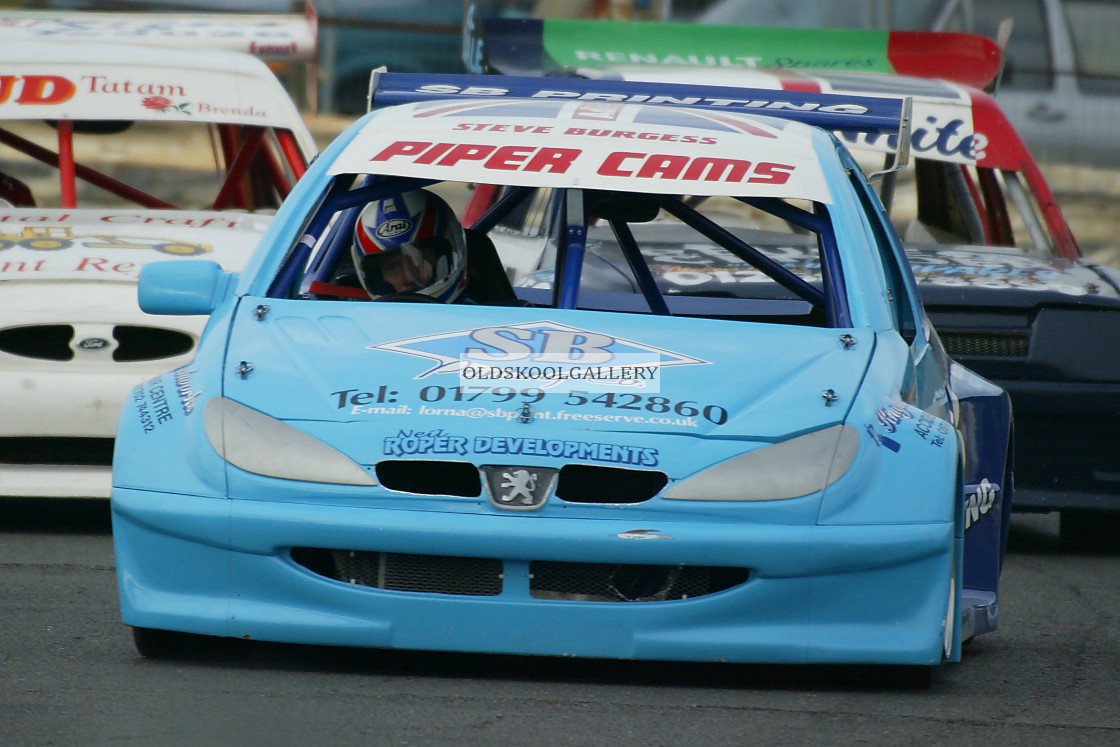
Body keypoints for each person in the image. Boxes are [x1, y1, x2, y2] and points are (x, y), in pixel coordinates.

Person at [351, 189, 469, 302]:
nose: (408, 277)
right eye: (392, 267)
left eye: (419, 259)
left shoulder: (481, 316)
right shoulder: (361, 318)